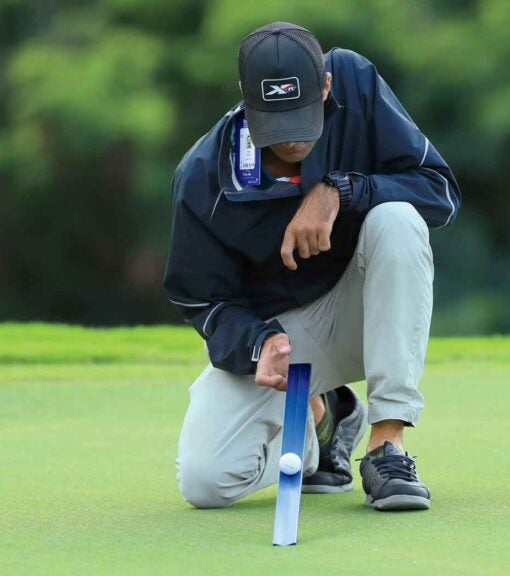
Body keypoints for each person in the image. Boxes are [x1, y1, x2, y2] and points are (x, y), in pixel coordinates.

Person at [163, 22, 460, 511]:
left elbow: (439, 193)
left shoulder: (355, 81)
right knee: (205, 481)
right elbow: (202, 299)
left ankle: (387, 446)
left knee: (398, 219)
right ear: (244, 97)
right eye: (275, 124)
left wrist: (341, 190)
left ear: (325, 85)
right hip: (285, 337)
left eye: (301, 121)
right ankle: (326, 419)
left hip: (370, 310)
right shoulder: (202, 176)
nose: (291, 142)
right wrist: (257, 342)